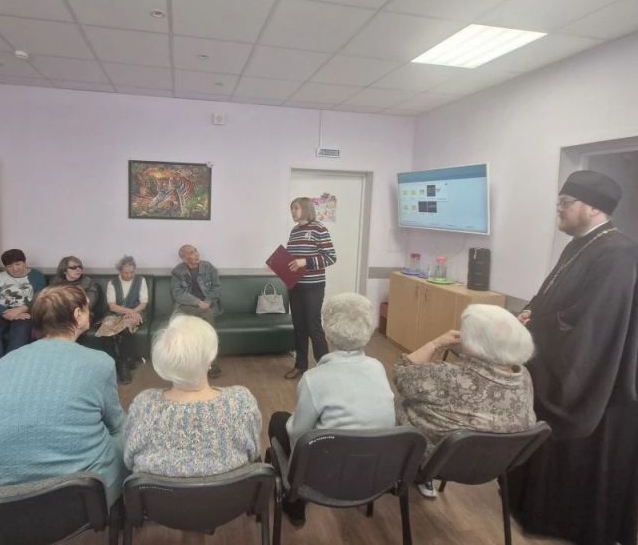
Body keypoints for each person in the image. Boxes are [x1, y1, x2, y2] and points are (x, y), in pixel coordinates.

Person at [507, 170, 638, 545]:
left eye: (566, 203)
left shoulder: (620, 253)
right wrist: (528, 313)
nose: (559, 209)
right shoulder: (578, 245)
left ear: (594, 207)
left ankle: (568, 523)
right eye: (559, 202)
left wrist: (538, 326)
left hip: (595, 381)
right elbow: (550, 295)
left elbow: (594, 324)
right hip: (557, 361)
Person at [0, 284, 127, 506]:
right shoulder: (99, 362)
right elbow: (116, 423)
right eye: (87, 308)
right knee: (126, 433)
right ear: (78, 314)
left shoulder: (5, 362)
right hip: (79, 495)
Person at [268, 293, 394, 525]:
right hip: (374, 471)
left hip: (325, 475)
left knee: (278, 420)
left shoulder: (314, 378)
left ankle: (295, 503)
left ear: (326, 332)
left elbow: (298, 434)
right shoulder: (378, 368)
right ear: (369, 330)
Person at [395, 304, 536, 498]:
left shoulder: (450, 376)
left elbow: (401, 373)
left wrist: (435, 344)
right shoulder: (523, 376)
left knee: (397, 402)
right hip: (495, 464)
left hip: (438, 462)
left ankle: (396, 470)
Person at [124, 314, 261, 477]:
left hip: (155, 494)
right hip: (235, 493)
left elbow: (128, 460)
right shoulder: (241, 402)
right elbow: (254, 454)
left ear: (163, 360)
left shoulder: (143, 406)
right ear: (211, 357)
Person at [284, 197, 337, 380]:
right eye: (291, 208)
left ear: (306, 209)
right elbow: (292, 259)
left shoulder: (319, 229)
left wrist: (304, 262)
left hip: (313, 286)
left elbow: (330, 257)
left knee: (313, 327)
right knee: (299, 327)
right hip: (295, 286)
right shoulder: (294, 231)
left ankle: (325, 368)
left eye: (296, 208)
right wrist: (279, 265)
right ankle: (300, 365)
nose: (293, 211)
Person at [0, 249, 46, 366]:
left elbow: (39, 297)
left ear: (25, 262)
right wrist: (6, 312)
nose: (15, 269)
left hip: (25, 313)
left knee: (20, 332)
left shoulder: (37, 276)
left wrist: (20, 310)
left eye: (18, 264)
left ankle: (12, 366)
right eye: (9, 266)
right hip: (3, 312)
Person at [171, 244, 223, 378]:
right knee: (206, 314)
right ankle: (206, 364)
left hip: (207, 305)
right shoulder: (177, 271)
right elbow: (177, 294)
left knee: (207, 313)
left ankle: (210, 362)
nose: (196, 254)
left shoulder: (208, 267)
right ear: (184, 258)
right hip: (187, 306)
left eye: (195, 251)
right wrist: (198, 303)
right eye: (190, 253)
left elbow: (217, 287)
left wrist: (208, 301)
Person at [97, 255, 148, 385]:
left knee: (126, 329)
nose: (129, 275)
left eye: (132, 272)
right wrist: (128, 311)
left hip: (136, 312)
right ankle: (113, 363)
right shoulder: (112, 283)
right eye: (126, 272)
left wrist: (133, 312)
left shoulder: (141, 280)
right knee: (105, 332)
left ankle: (124, 364)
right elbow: (112, 306)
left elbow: (143, 303)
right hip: (116, 313)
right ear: (119, 271)